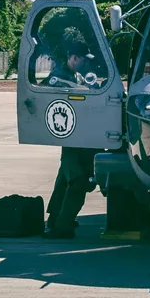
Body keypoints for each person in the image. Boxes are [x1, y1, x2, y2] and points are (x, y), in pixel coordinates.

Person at [43, 42, 105, 239]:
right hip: (73, 140)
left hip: (80, 137)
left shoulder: (75, 76)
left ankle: (55, 220)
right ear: (74, 58)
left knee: (64, 179)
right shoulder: (59, 78)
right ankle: (62, 227)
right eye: (83, 59)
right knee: (78, 181)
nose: (86, 63)